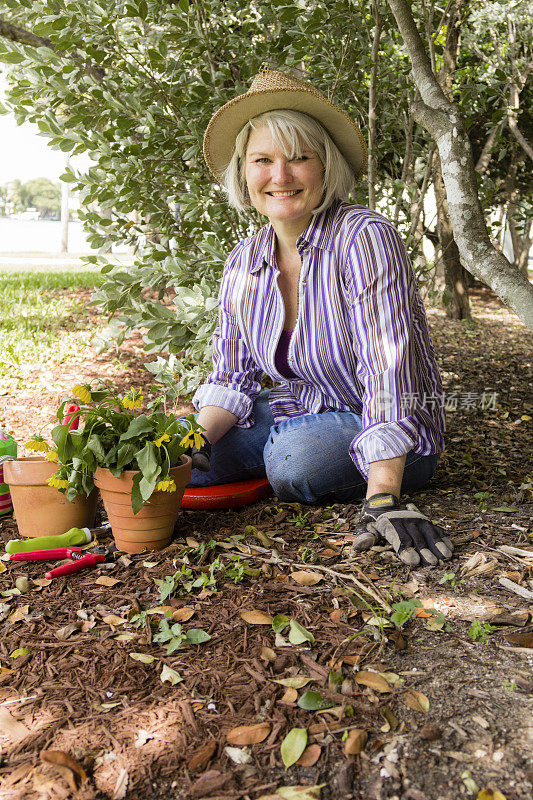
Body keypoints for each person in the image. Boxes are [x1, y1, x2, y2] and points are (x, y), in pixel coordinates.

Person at [189, 68, 453, 568]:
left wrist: (382, 498)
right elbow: (231, 376)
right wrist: (189, 443)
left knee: (296, 461)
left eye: (299, 159)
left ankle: (302, 458)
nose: (280, 176)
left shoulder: (363, 236)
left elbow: (388, 369)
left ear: (325, 165)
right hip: (302, 409)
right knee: (173, 460)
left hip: (391, 428)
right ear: (243, 174)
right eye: (262, 160)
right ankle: (261, 450)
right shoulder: (244, 260)